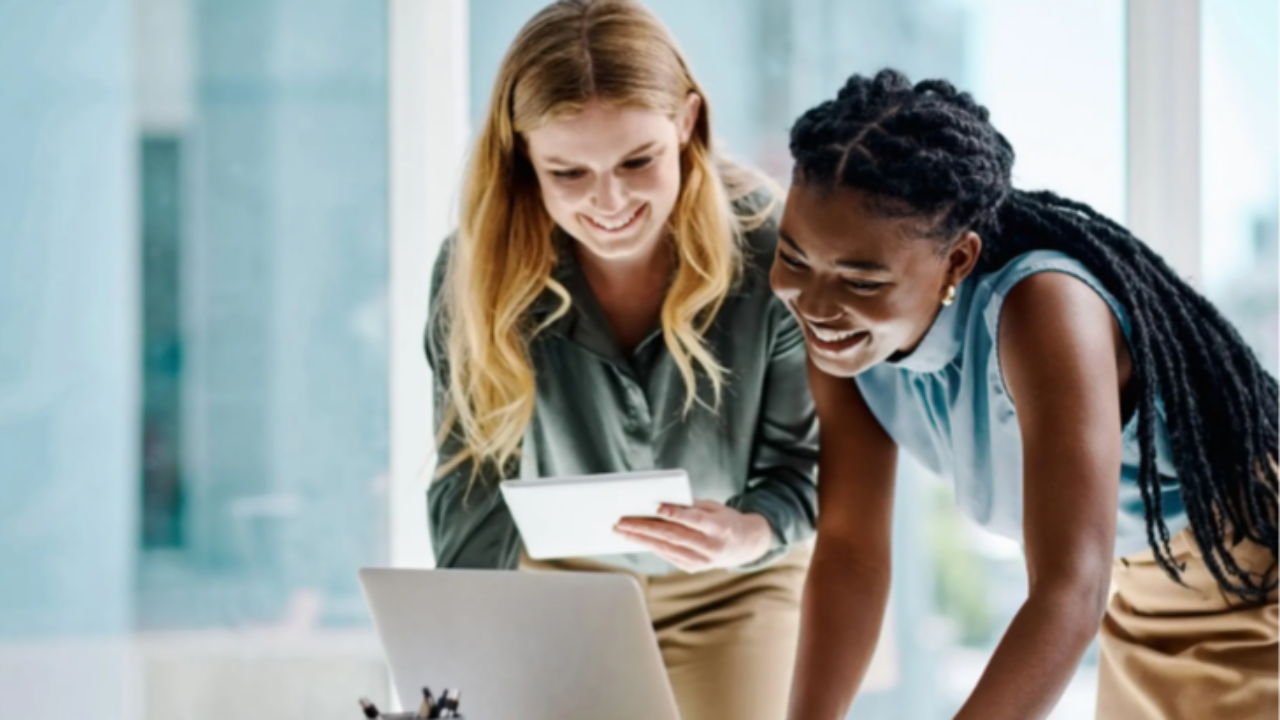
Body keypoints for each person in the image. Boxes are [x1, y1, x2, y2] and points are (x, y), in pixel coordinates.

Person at [774, 69, 1280, 720]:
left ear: (958, 260)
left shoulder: (1044, 308)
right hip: (1138, 596)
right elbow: (849, 550)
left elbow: (1069, 586)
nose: (816, 304)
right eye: (794, 258)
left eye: (861, 280)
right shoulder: (844, 343)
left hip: (1254, 576)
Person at [424, 2, 818, 719]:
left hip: (736, 583)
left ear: (688, 122)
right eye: (567, 172)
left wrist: (751, 532)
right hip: (562, 583)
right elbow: (470, 480)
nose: (610, 201)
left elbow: (807, 470)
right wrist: (462, 660)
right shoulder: (475, 272)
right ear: (523, 160)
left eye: (639, 160)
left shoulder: (774, 249)